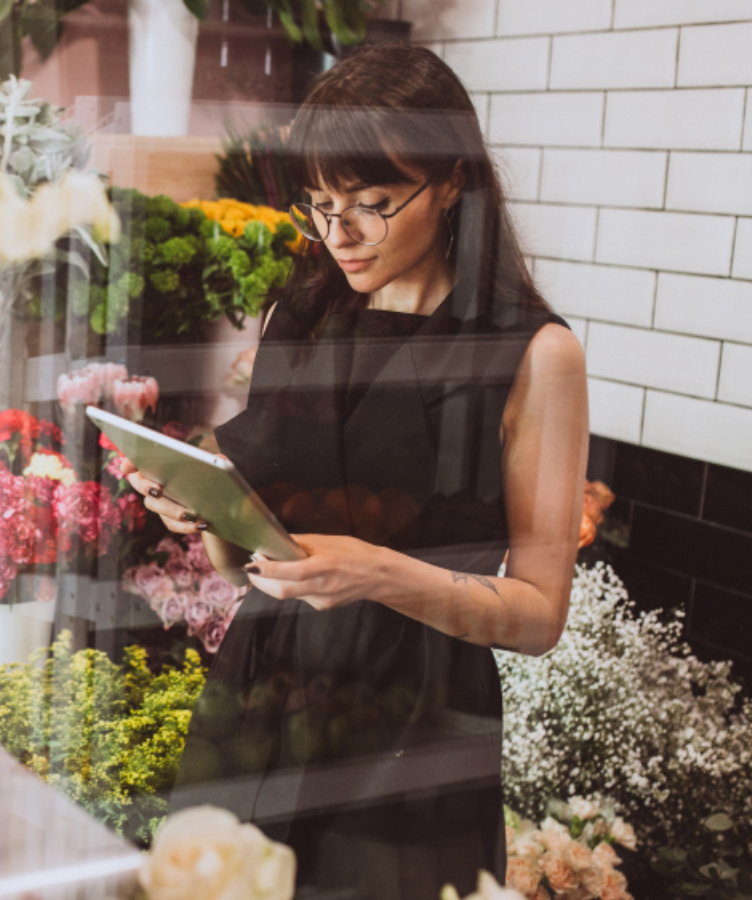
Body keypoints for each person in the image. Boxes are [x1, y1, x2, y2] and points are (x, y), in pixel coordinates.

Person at [122, 43, 588, 898]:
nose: (339, 235)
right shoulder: (299, 315)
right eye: (321, 205)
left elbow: (538, 616)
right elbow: (254, 568)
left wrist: (379, 575)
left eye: (372, 205)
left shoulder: (533, 353)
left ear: (451, 181)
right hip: (262, 692)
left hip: (412, 722)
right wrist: (209, 511)